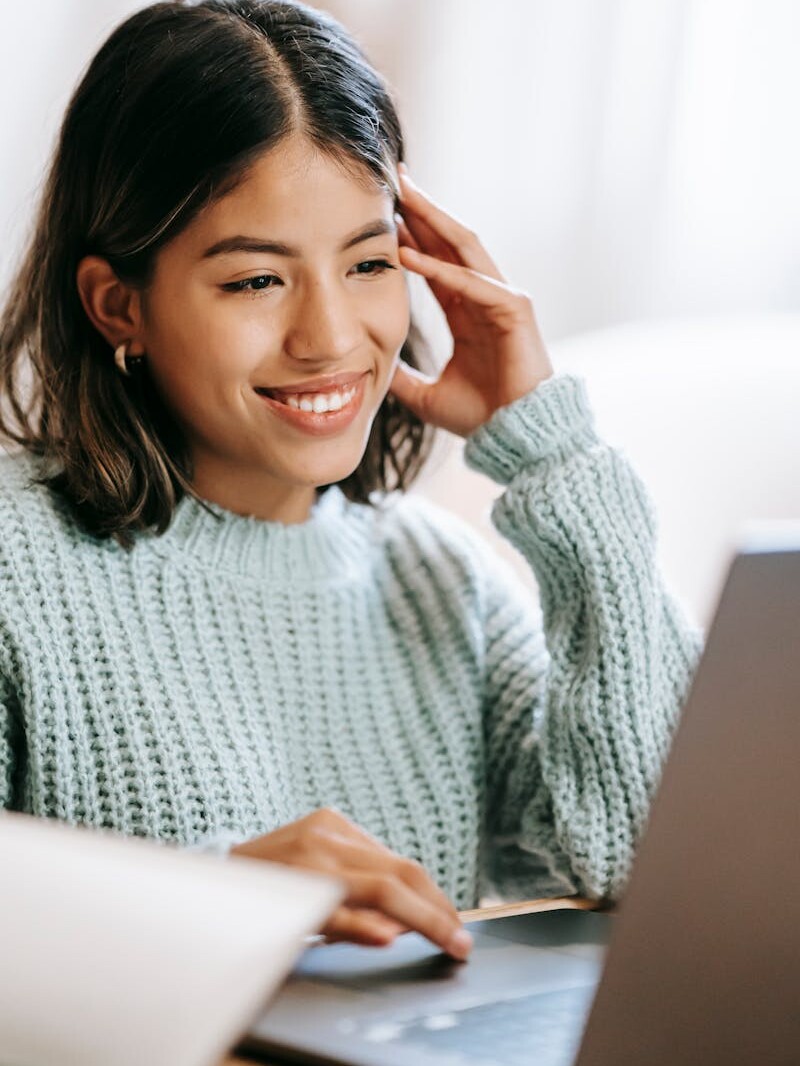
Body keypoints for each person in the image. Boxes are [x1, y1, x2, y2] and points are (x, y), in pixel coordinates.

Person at [0, 0, 700, 962]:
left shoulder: (445, 588)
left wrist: (553, 452)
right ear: (118, 305)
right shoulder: (16, 569)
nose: (330, 338)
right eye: (256, 280)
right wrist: (207, 903)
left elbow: (659, 877)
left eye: (370, 263)